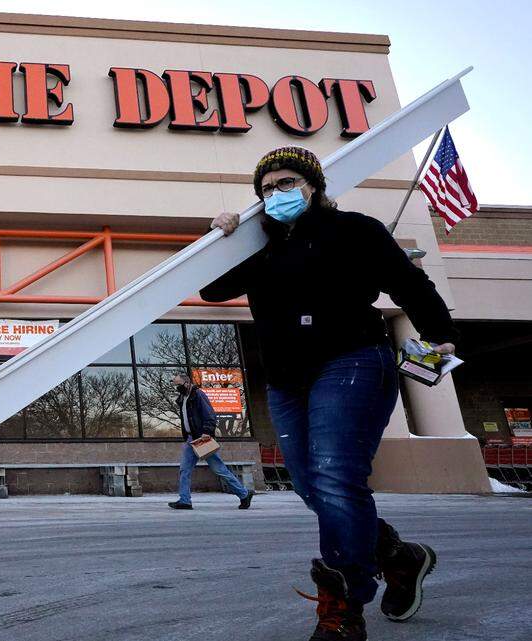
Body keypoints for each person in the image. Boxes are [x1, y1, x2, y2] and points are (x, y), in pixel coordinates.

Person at [202, 146, 449, 640]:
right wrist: (220, 240)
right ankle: (398, 557)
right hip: (287, 379)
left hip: (352, 359)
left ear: (313, 185)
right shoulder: (259, 248)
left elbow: (408, 283)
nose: (277, 194)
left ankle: (344, 606)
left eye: (287, 183)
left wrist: (441, 334)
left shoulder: (355, 230)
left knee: (336, 477)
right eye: (267, 188)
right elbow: (211, 290)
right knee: (310, 484)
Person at [168, 372, 255, 511]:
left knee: (219, 469)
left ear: (187, 382)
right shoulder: (183, 398)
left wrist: (206, 433)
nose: (177, 388)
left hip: (202, 438)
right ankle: (185, 500)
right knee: (184, 470)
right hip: (191, 440)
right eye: (175, 385)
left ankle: (244, 494)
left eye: (178, 384)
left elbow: (210, 415)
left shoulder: (198, 395)